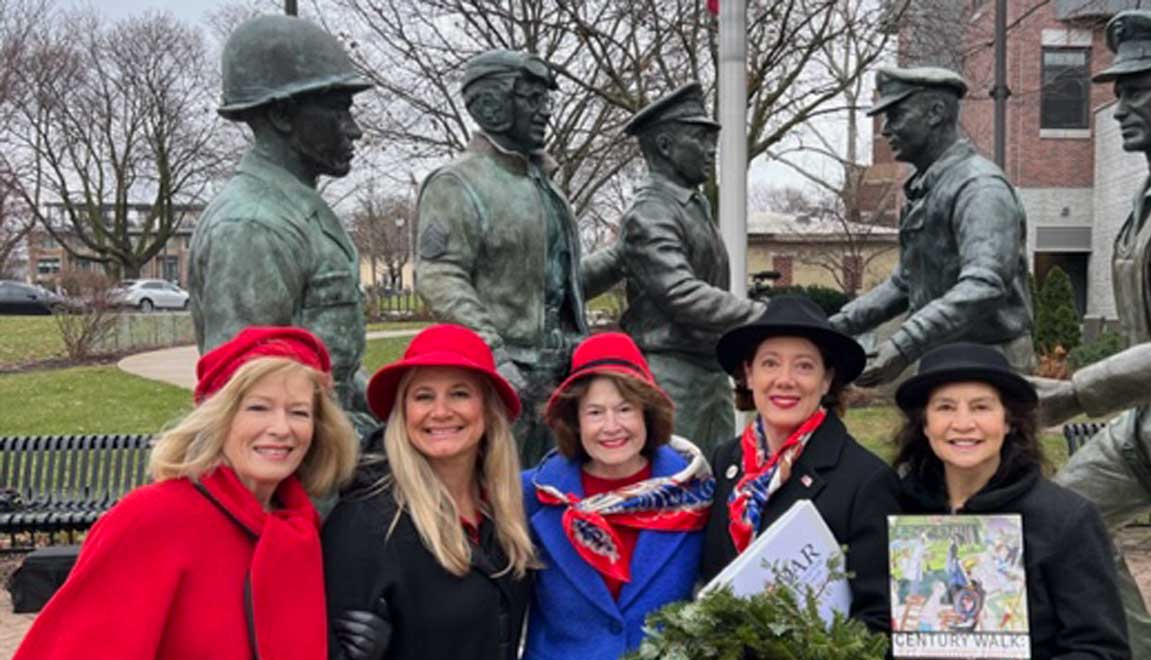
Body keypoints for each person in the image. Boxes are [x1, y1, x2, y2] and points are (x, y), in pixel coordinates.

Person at [0, 326, 360, 660]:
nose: (282, 428)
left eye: (299, 412)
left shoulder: (299, 534)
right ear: (219, 417)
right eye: (258, 407)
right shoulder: (153, 522)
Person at [1031, 9, 1151, 660]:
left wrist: (1074, 393)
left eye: (1140, 89)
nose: (1119, 108)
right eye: (1117, 91)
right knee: (1067, 520)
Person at [890, 342, 1130, 660]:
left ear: (1008, 421)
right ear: (925, 424)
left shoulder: (1065, 518)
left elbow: (1101, 653)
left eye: (981, 407)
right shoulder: (898, 513)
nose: (963, 423)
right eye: (945, 408)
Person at [322, 323, 536, 660]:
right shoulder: (367, 519)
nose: (441, 412)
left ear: (487, 409)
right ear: (403, 411)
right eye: (423, 397)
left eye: (460, 393)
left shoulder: (502, 518)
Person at [515, 332, 714, 660]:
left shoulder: (694, 492)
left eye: (625, 408)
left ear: (648, 413)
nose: (611, 426)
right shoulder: (533, 494)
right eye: (595, 411)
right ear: (574, 421)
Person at [414, 49, 618, 466]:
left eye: (547, 101)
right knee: (503, 508)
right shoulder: (457, 184)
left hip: (561, 381)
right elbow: (439, 276)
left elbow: (563, 286)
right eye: (532, 99)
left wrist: (623, 254)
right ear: (491, 105)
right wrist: (495, 356)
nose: (545, 112)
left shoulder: (544, 187)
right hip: (507, 383)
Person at [190, 15, 376, 433]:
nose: (355, 130)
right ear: (281, 116)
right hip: (294, 478)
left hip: (329, 452)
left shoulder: (295, 210)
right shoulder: (253, 227)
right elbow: (250, 398)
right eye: (338, 110)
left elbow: (334, 364)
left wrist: (386, 408)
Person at [699, 294, 897, 633]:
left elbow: (878, 619)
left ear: (826, 380)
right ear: (748, 374)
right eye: (770, 363)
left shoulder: (868, 480)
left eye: (804, 365)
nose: (785, 379)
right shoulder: (723, 463)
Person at [829, 66, 1034, 385]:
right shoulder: (926, 189)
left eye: (896, 115)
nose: (886, 129)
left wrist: (903, 343)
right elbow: (904, 283)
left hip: (990, 365)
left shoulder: (979, 187)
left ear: (936, 113)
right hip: (943, 358)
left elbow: (985, 283)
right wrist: (833, 328)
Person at [614, 82, 764, 454]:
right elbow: (679, 292)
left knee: (718, 483)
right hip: (672, 377)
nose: (712, 149)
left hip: (705, 373)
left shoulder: (689, 206)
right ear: (665, 146)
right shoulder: (651, 211)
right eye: (700, 138)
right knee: (677, 487)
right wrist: (762, 315)